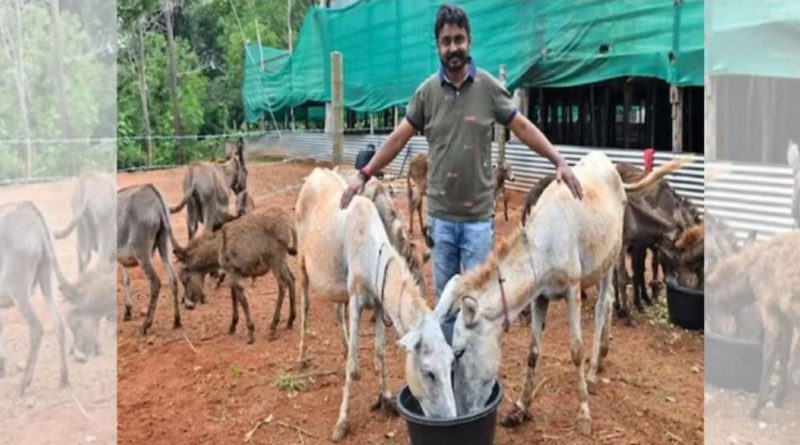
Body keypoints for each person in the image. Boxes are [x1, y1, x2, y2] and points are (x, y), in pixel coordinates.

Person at [339, 4, 583, 332]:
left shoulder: (488, 88)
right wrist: (364, 174)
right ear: (437, 45)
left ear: (469, 41)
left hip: (478, 222)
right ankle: (449, 376)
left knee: (479, 303)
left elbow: (522, 127)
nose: (453, 47)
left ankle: (476, 377)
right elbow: (398, 138)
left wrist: (559, 162)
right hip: (441, 219)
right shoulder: (426, 94)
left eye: (459, 39)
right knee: (446, 302)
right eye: (446, 41)